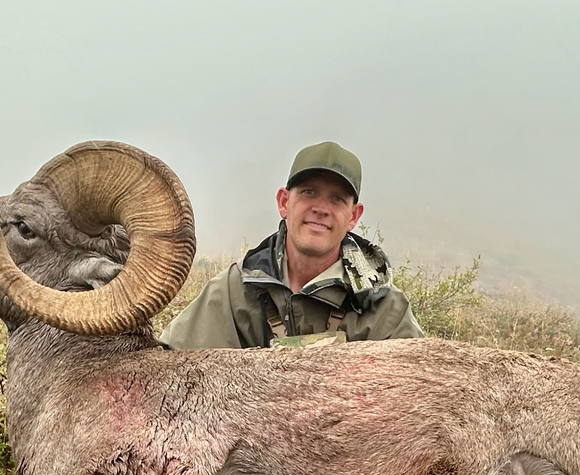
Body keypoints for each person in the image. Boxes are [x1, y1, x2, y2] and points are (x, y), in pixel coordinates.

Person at [159, 141, 424, 349]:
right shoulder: (235, 290)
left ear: (354, 216)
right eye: (309, 192)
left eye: (337, 199)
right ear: (284, 202)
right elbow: (171, 360)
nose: (321, 208)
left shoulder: (384, 307)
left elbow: (420, 394)